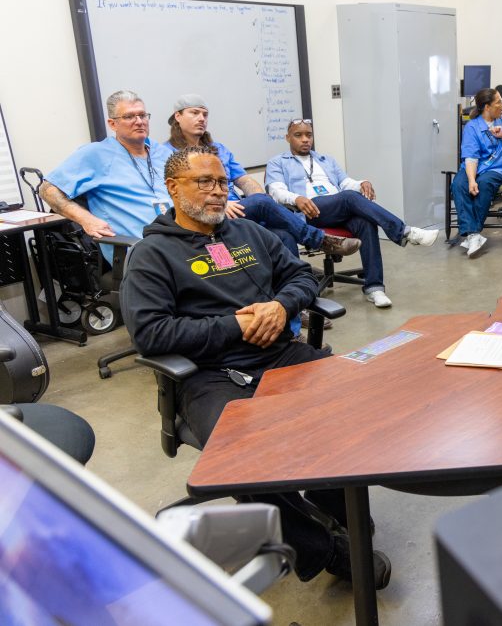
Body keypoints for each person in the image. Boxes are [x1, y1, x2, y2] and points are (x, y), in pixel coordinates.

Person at [121, 145, 391, 588]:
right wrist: (235, 326)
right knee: (242, 459)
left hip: (279, 354)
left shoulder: (247, 232)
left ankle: (332, 502)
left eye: (221, 182)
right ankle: (324, 547)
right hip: (208, 374)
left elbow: (302, 277)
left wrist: (280, 309)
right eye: (203, 182)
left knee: (355, 399)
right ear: (173, 188)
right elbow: (152, 335)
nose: (215, 192)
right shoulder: (153, 255)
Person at [158, 95, 360, 261]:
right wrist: (223, 202)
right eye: (195, 113)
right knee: (264, 205)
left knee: (283, 235)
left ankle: (297, 297)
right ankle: (319, 240)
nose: (202, 118)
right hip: (208, 213)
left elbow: (244, 180)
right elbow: (176, 194)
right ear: (177, 116)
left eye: (205, 114)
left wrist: (257, 198)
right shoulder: (166, 154)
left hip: (240, 210)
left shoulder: (218, 149)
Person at [265, 120, 439, 308]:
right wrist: (296, 199)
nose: (305, 139)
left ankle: (374, 287)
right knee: (348, 198)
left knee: (365, 222)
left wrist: (361, 183)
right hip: (308, 212)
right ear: (288, 138)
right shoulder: (278, 163)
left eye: (309, 135)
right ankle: (404, 232)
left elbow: (345, 182)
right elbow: (276, 191)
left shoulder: (325, 160)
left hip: (336, 207)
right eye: (299, 135)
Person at [40, 90, 173, 263]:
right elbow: (48, 190)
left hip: (180, 242)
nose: (139, 122)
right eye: (129, 117)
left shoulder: (162, 152)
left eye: (142, 115)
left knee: (218, 263)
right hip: (139, 251)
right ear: (112, 124)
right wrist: (86, 219)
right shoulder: (96, 154)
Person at [452, 88, 502, 257]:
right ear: (487, 107)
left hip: (498, 169)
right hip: (473, 167)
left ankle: (472, 232)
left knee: (484, 183)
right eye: (498, 102)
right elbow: (471, 157)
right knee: (459, 184)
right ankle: (474, 235)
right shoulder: (472, 127)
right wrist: (471, 179)